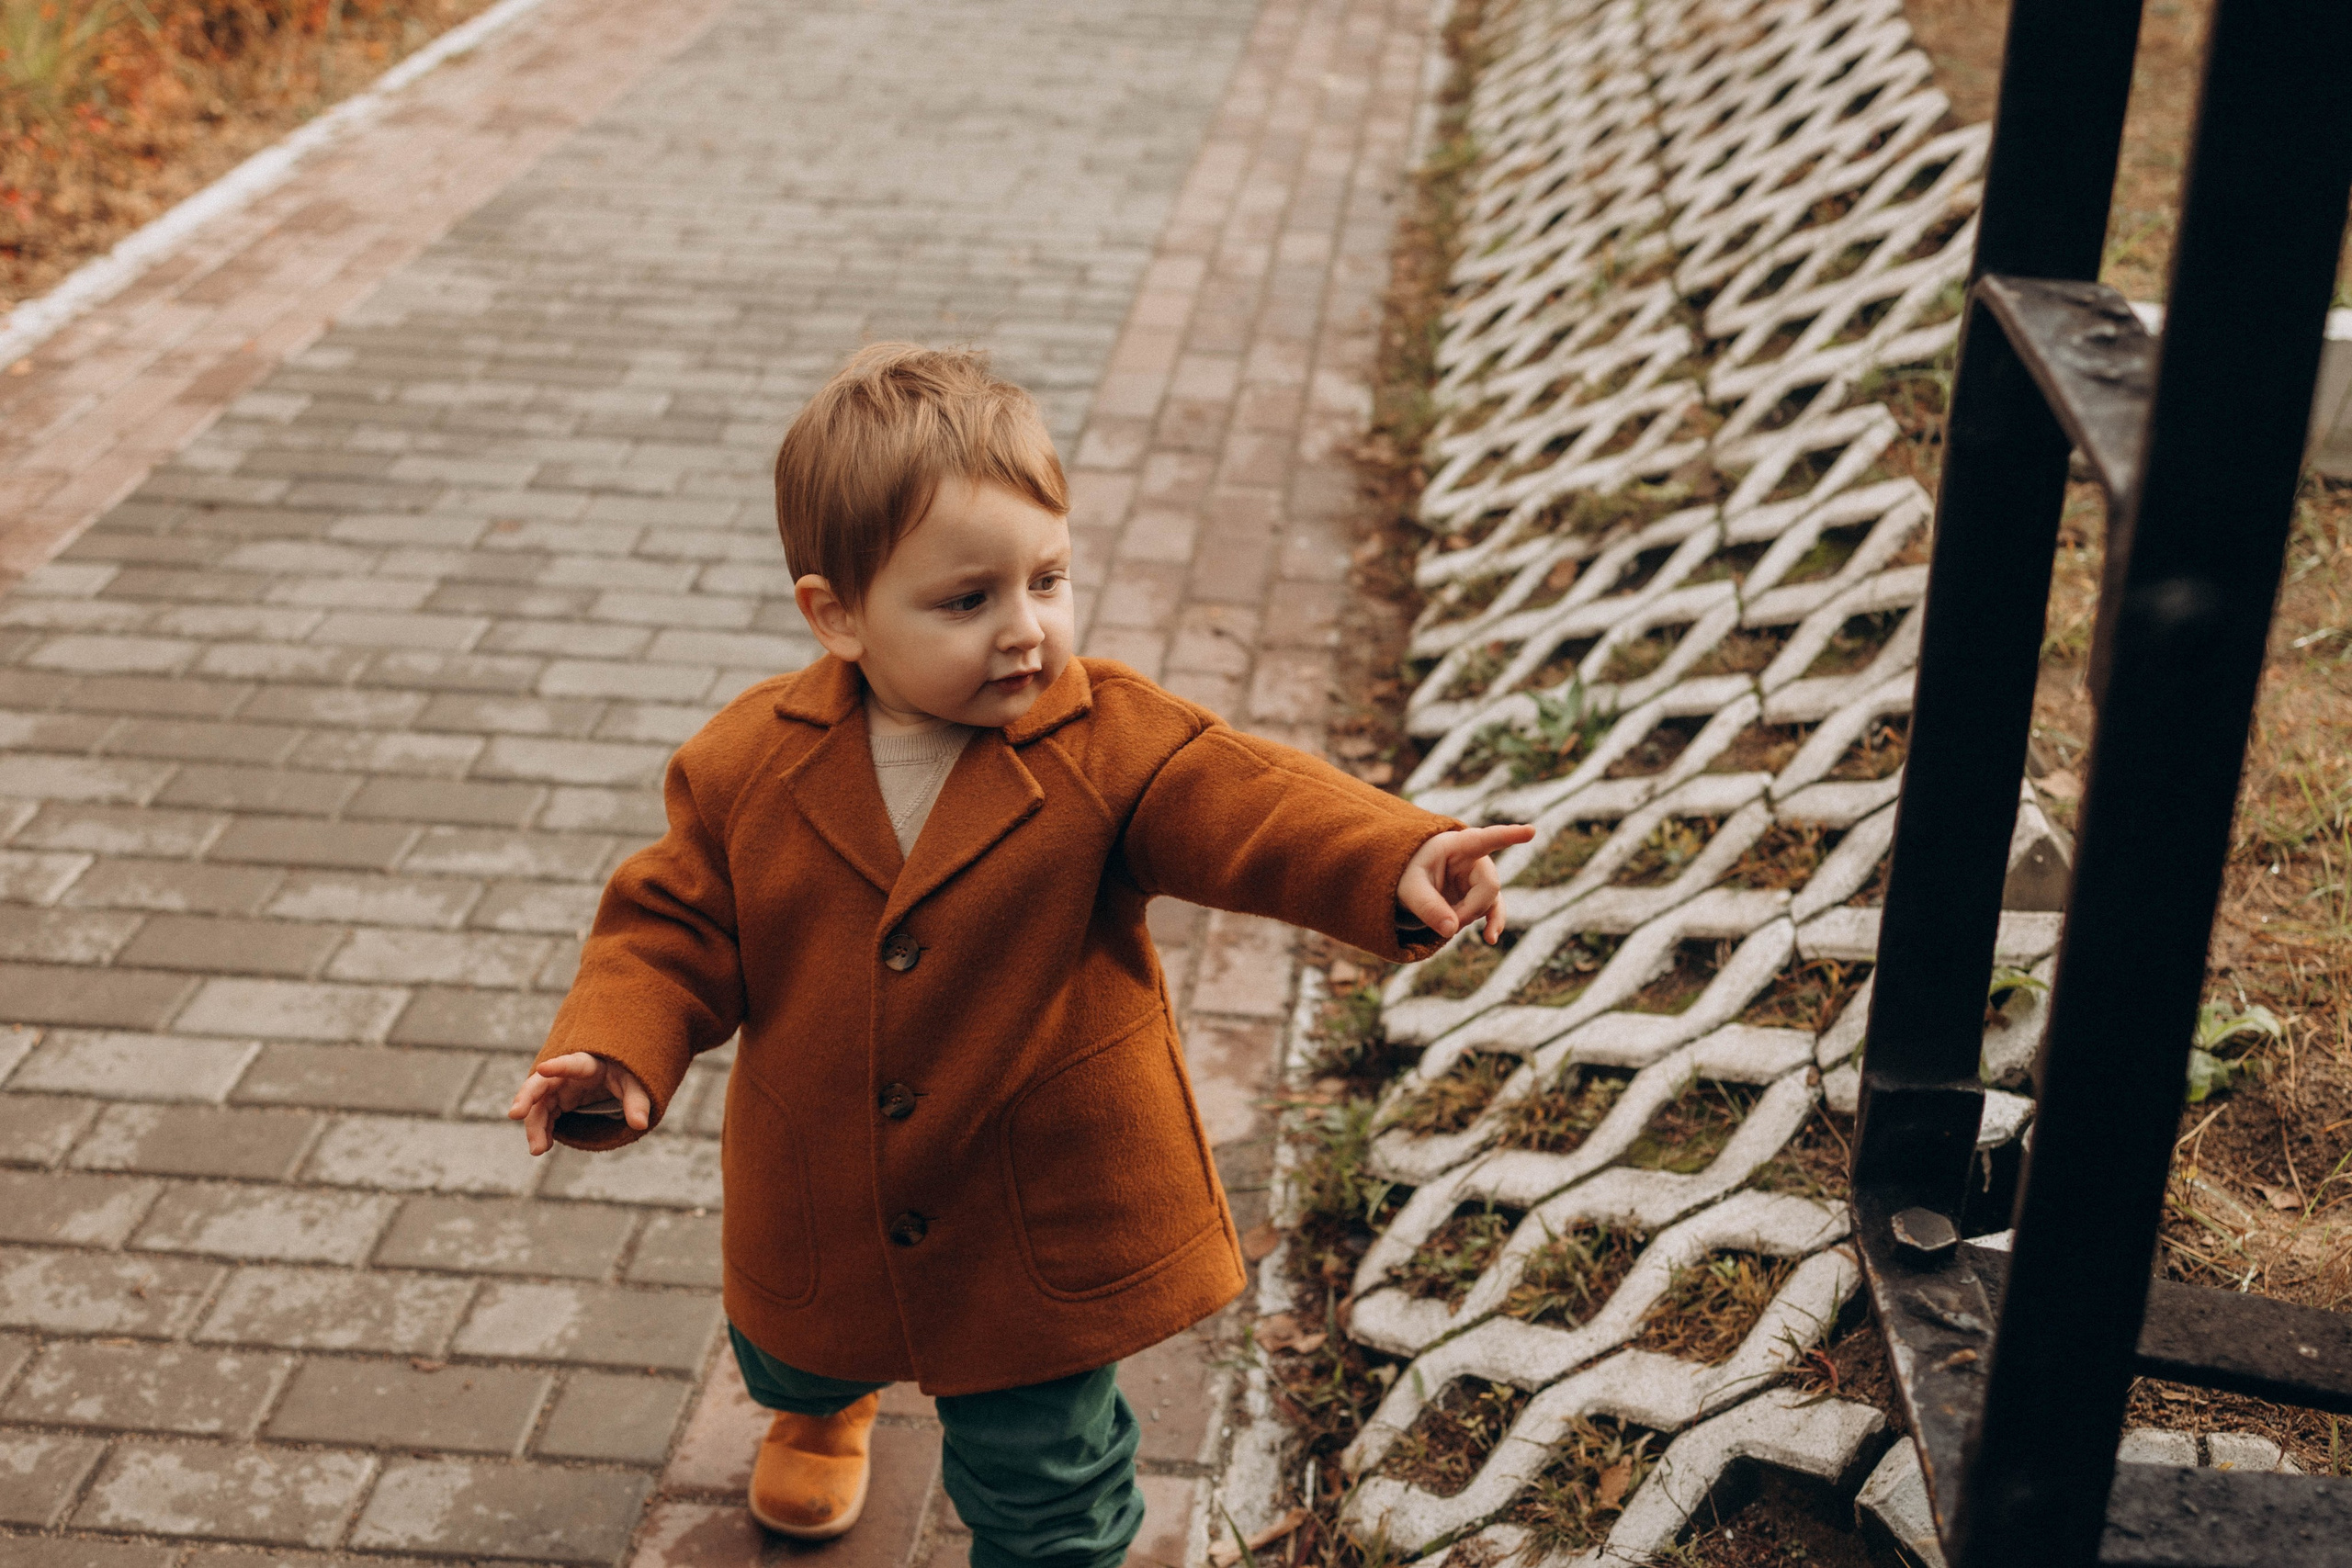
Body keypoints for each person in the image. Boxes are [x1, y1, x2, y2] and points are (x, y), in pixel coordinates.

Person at [507, 344, 1529, 1568]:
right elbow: (672, 927)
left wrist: (1390, 856)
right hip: (825, 1172)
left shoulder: (1108, 743)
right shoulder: (748, 764)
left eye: (1047, 580)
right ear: (835, 615)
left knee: (1052, 1489)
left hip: (1026, 1203)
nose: (1025, 631)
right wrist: (616, 1053)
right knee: (798, 1341)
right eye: (966, 600)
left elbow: (1247, 802)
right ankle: (820, 1413)